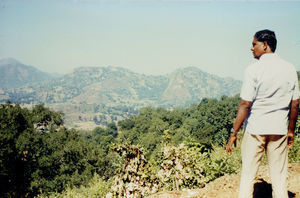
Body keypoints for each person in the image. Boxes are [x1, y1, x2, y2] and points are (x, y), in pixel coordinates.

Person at [226, 29, 299, 198]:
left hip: (256, 129)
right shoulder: (289, 68)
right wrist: (290, 130)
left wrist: (233, 133)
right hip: (279, 129)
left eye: (254, 44)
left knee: (248, 176)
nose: (252, 48)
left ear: (265, 45)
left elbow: (245, 104)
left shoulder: (253, 70)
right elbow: (295, 103)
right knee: (279, 178)